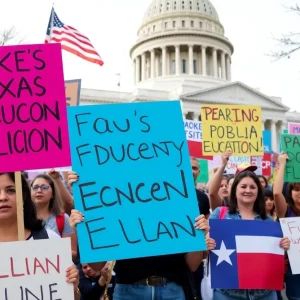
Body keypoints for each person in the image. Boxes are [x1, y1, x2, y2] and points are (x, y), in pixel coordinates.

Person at [68, 170, 210, 300]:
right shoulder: (118, 206)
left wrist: (198, 238)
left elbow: (192, 265)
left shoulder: (179, 204)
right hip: (129, 291)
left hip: (171, 290)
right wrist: (84, 233)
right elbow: (97, 265)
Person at [206, 170, 290, 300]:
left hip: (264, 294)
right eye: (243, 186)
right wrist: (206, 242)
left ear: (258, 192)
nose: (248, 190)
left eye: (252, 187)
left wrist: (283, 247)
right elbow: (205, 247)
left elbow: (272, 259)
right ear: (234, 190)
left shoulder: (268, 221)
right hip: (227, 294)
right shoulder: (220, 214)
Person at [0, 172, 80, 299]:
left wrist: (73, 288)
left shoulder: (49, 239)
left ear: (24, 196)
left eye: (11, 190)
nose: (3, 197)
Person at [31, 173, 77, 260]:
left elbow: (73, 253)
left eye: (44, 187)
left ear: (52, 194)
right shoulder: (20, 220)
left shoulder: (63, 218)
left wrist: (49, 249)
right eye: (35, 187)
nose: (39, 190)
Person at [273, 152, 300, 299]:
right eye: (296, 189)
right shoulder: (286, 211)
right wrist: (282, 164)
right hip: (294, 271)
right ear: (290, 192)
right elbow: (277, 193)